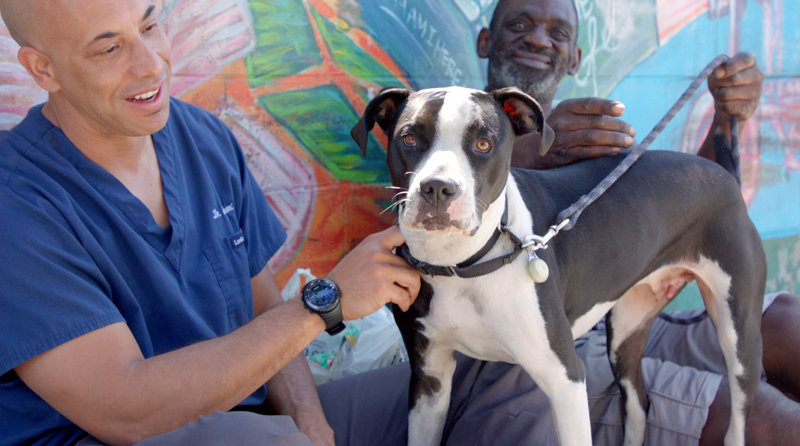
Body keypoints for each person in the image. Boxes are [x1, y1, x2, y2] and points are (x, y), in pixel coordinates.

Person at [476, 0, 800, 443]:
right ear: (484, 41)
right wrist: (529, 154)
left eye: (558, 32)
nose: (537, 38)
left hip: (625, 311)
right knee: (769, 423)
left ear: (575, 60)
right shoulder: (441, 143)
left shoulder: (585, 139)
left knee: (788, 323)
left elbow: (688, 216)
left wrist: (727, 117)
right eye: (519, 24)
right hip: (541, 354)